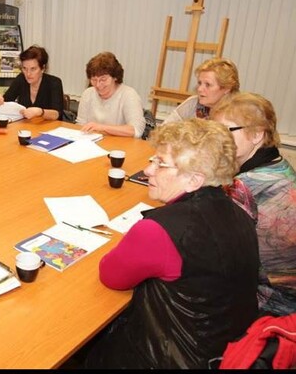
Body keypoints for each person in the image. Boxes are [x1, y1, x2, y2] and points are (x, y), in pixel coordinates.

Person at [84, 118, 259, 369]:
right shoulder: (239, 213)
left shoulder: (159, 231)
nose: (147, 170)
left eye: (161, 164)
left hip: (172, 356)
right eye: (153, 160)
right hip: (226, 349)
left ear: (194, 180)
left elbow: (110, 275)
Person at [211, 92, 296, 317]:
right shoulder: (280, 165)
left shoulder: (245, 185)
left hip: (269, 303)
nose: (217, 140)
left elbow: (213, 250)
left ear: (257, 134)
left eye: (225, 131)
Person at [76, 52, 146, 138]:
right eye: (94, 80)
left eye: (103, 79)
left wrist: (102, 127)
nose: (98, 85)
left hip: (121, 146)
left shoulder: (129, 95)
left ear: (115, 77)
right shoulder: (88, 93)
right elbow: (80, 124)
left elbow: (136, 130)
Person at [0, 45, 65, 121]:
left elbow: (57, 114)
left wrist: (40, 112)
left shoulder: (54, 82)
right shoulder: (21, 78)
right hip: (25, 128)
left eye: (33, 69)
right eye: (24, 68)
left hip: (48, 128)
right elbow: (7, 100)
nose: (28, 74)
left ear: (43, 68)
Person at [163, 58, 240, 124]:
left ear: (227, 88)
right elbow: (163, 130)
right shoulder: (193, 103)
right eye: (199, 83)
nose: (199, 89)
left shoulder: (238, 114)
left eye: (208, 85)